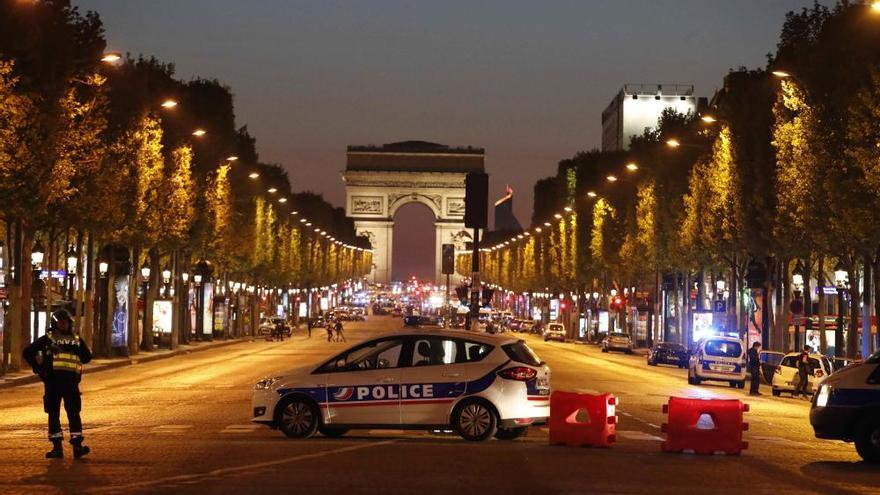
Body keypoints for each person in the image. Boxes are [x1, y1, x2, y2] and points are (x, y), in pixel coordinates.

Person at [22, 309, 92, 459]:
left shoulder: (76, 339)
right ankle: (57, 448)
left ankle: (77, 446)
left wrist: (38, 367)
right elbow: (28, 351)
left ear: (70, 323)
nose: (64, 324)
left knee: (73, 413)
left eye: (66, 322)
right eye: (61, 322)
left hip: (70, 383)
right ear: (55, 323)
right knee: (54, 413)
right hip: (53, 382)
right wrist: (39, 368)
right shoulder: (49, 339)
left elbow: (87, 357)